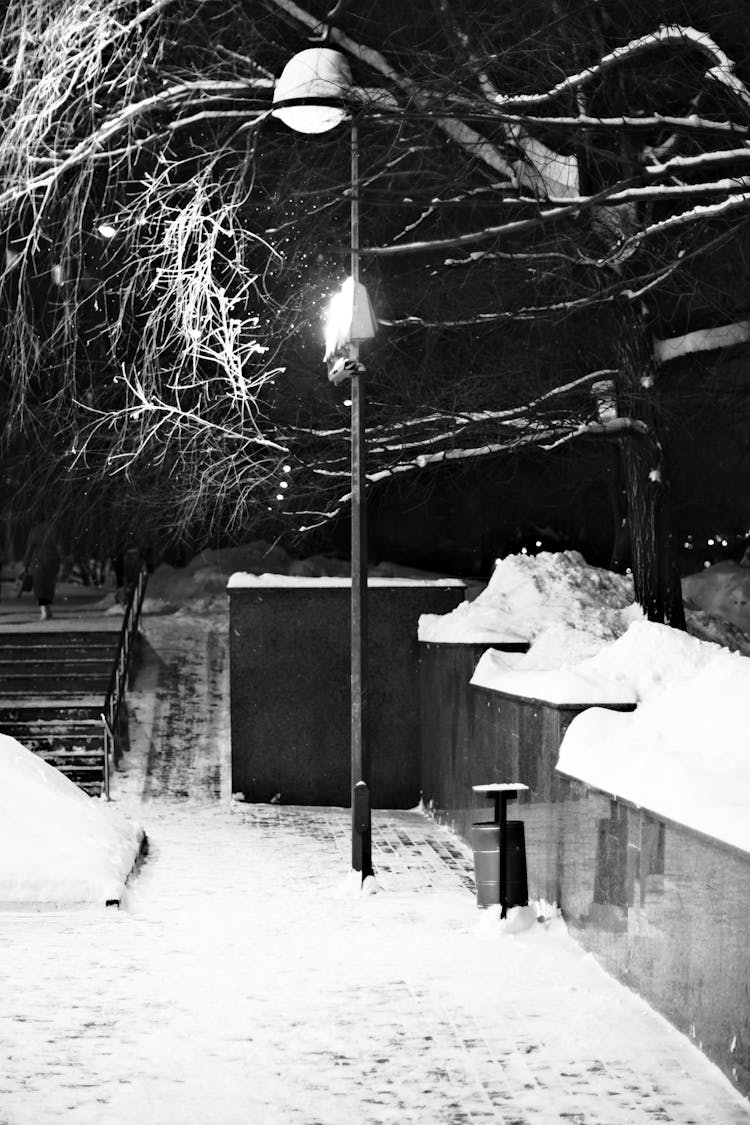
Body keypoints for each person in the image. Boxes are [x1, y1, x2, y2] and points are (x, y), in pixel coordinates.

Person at [22, 520, 61, 620]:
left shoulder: (34, 530)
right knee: (49, 585)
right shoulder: (54, 530)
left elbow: (29, 548)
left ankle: (44, 609)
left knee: (39, 586)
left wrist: (26, 562)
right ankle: (47, 609)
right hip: (52, 561)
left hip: (38, 561)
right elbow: (60, 546)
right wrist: (63, 559)